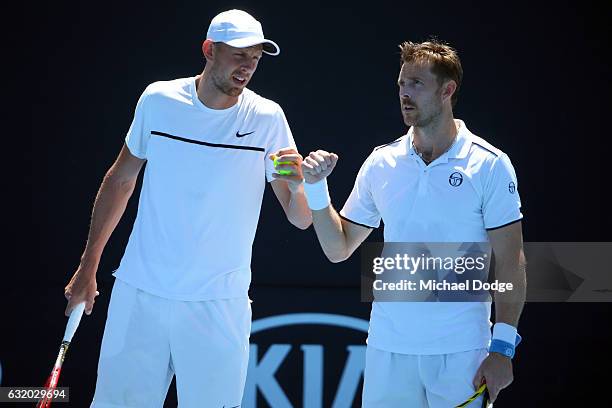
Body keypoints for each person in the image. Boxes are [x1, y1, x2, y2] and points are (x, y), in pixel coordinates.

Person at [63, 9, 311, 407]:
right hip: (140, 293)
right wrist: (87, 266)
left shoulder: (268, 119)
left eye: (256, 58)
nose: (247, 66)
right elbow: (120, 180)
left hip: (219, 304)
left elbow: (299, 219)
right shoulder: (158, 100)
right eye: (238, 55)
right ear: (209, 50)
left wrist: (303, 185)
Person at [294, 40, 526, 407]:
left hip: (462, 353)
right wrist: (316, 188)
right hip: (388, 350)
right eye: (401, 83)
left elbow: (511, 262)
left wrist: (503, 348)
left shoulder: (490, 165)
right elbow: (338, 248)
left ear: (447, 90)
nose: (404, 93)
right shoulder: (380, 163)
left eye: (416, 83)